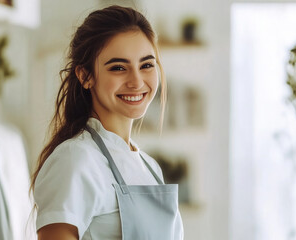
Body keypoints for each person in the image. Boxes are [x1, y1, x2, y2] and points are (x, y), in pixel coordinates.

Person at [31, 5, 184, 240]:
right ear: (85, 75)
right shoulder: (76, 159)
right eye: (118, 68)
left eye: (146, 65)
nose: (136, 81)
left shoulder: (149, 167)